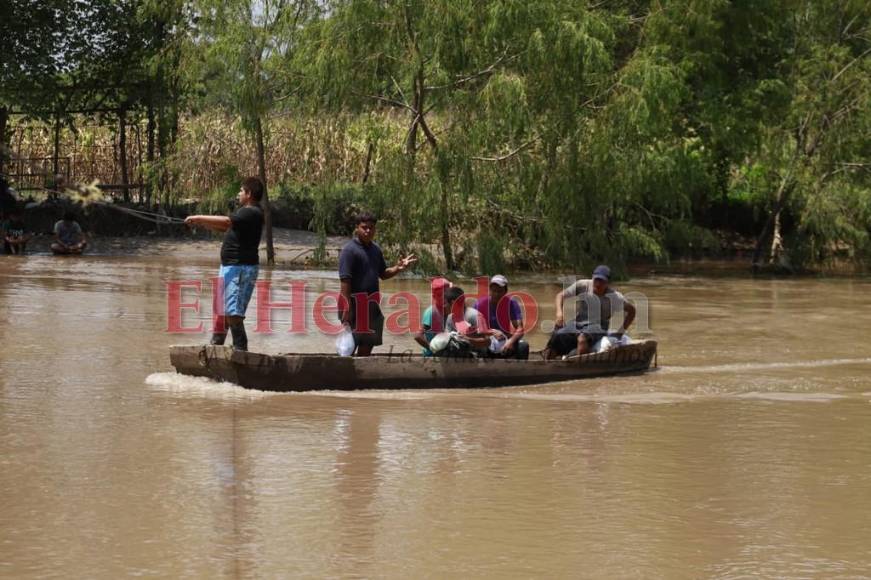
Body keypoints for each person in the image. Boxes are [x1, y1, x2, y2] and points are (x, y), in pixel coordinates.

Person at [185, 177, 264, 351]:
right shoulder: (245, 213)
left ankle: (240, 352)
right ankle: (215, 349)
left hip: (240, 269)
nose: (239, 193)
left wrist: (197, 217)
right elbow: (225, 227)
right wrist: (201, 222)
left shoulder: (251, 212)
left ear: (249, 194)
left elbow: (227, 222)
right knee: (222, 312)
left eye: (241, 191)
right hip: (230, 267)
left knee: (233, 313)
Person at [338, 211, 417, 356]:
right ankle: (346, 374)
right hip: (354, 305)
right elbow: (345, 280)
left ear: (375, 229)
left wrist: (398, 268)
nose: (368, 230)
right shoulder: (349, 251)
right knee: (349, 345)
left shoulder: (375, 250)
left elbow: (383, 274)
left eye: (371, 227)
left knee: (368, 343)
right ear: (357, 228)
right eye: (364, 227)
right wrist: (346, 307)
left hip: (371, 306)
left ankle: (360, 373)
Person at [543, 265, 636, 359]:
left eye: (602, 281)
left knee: (582, 339)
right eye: (596, 280)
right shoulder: (583, 285)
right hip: (578, 323)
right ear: (592, 278)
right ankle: (549, 363)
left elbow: (632, 310)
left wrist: (620, 332)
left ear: (607, 283)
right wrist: (559, 313)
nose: (598, 284)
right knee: (558, 335)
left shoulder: (615, 297)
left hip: (598, 326)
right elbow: (560, 296)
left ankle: (579, 367)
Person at [415, 285, 491, 357]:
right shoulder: (450, 318)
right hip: (459, 356)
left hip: (477, 356)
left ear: (452, 303)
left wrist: (468, 339)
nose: (444, 306)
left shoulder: (475, 316)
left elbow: (488, 342)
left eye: (445, 303)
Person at [473, 274, 529, 359]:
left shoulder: (511, 304)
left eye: (499, 291)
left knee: (523, 346)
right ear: (490, 290)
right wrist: (491, 332)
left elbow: (520, 329)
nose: (496, 294)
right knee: (480, 346)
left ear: (505, 291)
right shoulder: (479, 304)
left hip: (504, 339)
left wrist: (510, 341)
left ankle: (518, 370)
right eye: (494, 291)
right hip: (485, 338)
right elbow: (473, 328)